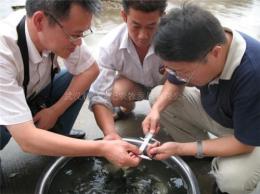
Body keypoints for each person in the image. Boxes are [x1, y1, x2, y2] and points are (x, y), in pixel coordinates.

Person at [0, 0, 140, 168]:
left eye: (82, 33)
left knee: (76, 78)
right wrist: (102, 148)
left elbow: (90, 70)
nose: (79, 42)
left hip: (30, 93)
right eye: (75, 34)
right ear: (39, 21)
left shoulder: (52, 29)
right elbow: (26, 139)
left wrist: (54, 111)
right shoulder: (4, 51)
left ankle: (56, 139)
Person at [143, 4, 260, 194]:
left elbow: (244, 143)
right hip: (223, 114)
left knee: (232, 179)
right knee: (158, 97)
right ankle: (206, 153)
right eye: (172, 70)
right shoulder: (195, 43)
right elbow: (174, 83)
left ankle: (222, 162)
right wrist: (155, 111)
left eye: (183, 73)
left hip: (251, 134)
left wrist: (180, 149)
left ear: (216, 53)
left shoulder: (254, 73)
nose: (177, 76)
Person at [88, 0, 167, 140]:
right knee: (113, 93)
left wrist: (158, 108)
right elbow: (99, 95)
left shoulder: (174, 39)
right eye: (135, 26)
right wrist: (111, 135)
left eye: (151, 26)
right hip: (135, 87)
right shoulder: (108, 46)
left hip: (166, 87)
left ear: (163, 17)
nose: (143, 35)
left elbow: (186, 77)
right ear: (124, 16)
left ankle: (174, 114)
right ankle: (126, 107)